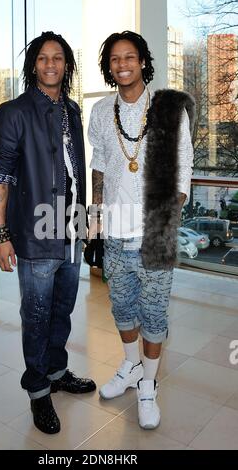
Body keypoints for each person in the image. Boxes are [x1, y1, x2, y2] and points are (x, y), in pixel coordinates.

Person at [0, 31, 96, 435]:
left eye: (59, 58)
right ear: (34, 65)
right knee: (36, 315)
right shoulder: (13, 111)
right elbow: (0, 176)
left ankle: (57, 370)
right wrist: (1, 235)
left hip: (69, 232)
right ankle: (37, 391)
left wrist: (85, 225)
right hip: (34, 233)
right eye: (43, 58)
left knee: (62, 309)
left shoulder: (72, 110)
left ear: (67, 65)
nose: (51, 64)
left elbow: (75, 175)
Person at [88, 31, 194, 430]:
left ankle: (148, 385)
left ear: (143, 62)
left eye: (129, 56)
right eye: (115, 59)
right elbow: (98, 162)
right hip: (114, 233)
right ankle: (131, 367)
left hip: (155, 234)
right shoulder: (100, 111)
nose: (122, 64)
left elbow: (184, 164)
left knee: (153, 314)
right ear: (109, 66)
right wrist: (94, 216)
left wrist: (169, 216)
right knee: (122, 309)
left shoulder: (168, 108)